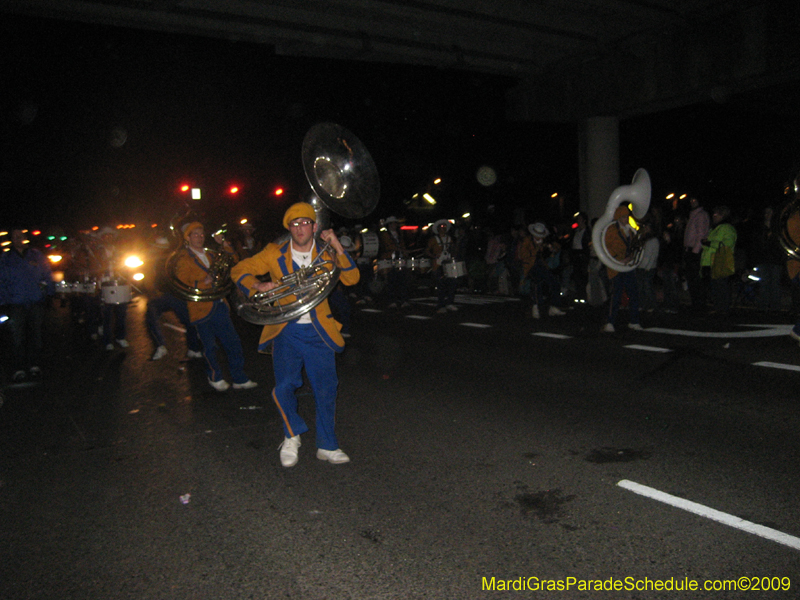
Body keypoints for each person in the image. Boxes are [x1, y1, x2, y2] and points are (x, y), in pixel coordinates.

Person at [230, 202, 359, 467]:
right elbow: (238, 270)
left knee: (326, 390)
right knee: (285, 386)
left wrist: (336, 244)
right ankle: (292, 436)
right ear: (289, 228)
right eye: (295, 224)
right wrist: (256, 284)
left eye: (305, 223)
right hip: (286, 329)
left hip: (319, 331)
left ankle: (327, 444)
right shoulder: (274, 252)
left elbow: (352, 279)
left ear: (314, 226)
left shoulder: (326, 252)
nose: (300, 228)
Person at [174, 221, 257, 392]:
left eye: (201, 234)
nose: (199, 237)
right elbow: (182, 282)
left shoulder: (212, 254)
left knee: (233, 342)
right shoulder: (184, 259)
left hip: (219, 304)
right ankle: (214, 377)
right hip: (200, 308)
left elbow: (233, 261)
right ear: (187, 238)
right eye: (195, 234)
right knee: (209, 346)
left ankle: (239, 378)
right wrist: (203, 283)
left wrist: (225, 246)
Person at [0, 227, 54, 381]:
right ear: (12, 239)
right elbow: (1, 280)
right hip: (16, 303)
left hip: (36, 301)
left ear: (24, 237)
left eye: (20, 236)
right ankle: (18, 368)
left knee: (35, 335)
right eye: (15, 236)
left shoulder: (36, 255)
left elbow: (47, 273)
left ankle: (34, 365)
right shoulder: (6, 258)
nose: (18, 238)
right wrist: (3, 301)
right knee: (17, 336)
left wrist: (49, 293)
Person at [145, 235, 203, 361]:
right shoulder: (162, 258)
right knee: (187, 320)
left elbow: (162, 278)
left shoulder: (167, 259)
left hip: (172, 294)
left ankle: (164, 346)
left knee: (188, 320)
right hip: (171, 294)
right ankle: (191, 348)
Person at [603, 206, 642, 332]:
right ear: (619, 217)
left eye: (627, 217)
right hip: (616, 267)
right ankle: (610, 322)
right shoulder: (611, 230)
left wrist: (631, 257)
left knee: (633, 293)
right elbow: (606, 247)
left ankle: (634, 321)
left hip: (628, 266)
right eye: (624, 217)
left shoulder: (630, 231)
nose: (627, 219)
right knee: (616, 295)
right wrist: (617, 259)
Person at [519, 222, 565, 319]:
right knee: (537, 282)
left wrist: (552, 249)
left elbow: (557, 246)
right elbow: (522, 256)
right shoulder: (527, 241)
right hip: (530, 266)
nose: (539, 238)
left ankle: (553, 306)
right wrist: (536, 250)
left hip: (542, 265)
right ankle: (536, 306)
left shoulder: (545, 240)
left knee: (554, 283)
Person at [94, 227, 129, 350]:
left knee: (121, 312)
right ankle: (107, 340)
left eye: (110, 236)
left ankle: (120, 337)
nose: (108, 238)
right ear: (102, 238)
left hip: (118, 282)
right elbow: (98, 265)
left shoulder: (117, 249)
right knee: (107, 314)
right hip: (105, 283)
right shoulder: (99, 251)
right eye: (106, 236)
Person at [700, 205, 737, 315]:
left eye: (717, 214)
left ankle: (724, 308)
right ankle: (718, 307)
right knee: (715, 286)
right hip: (711, 261)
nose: (714, 216)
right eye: (714, 214)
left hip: (720, 261)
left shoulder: (727, 228)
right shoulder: (714, 228)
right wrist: (706, 243)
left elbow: (728, 244)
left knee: (721, 285)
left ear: (723, 215)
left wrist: (710, 243)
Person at [426, 219, 459, 313]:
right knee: (441, 285)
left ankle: (450, 303)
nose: (443, 228)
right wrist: (434, 256)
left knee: (452, 283)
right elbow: (427, 251)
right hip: (438, 264)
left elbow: (454, 250)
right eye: (441, 227)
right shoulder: (433, 239)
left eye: (445, 227)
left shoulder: (449, 238)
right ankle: (441, 305)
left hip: (448, 263)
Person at [683, 197, 710, 311]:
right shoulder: (693, 215)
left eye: (695, 200)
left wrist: (695, 251)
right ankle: (695, 303)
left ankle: (699, 304)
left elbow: (701, 234)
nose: (692, 202)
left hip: (695, 252)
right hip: (690, 250)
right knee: (691, 279)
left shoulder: (700, 215)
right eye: (691, 201)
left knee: (695, 279)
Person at [378, 216, 411, 308]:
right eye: (392, 223)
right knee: (391, 280)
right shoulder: (385, 234)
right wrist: (401, 249)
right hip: (389, 260)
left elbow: (402, 244)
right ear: (389, 225)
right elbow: (388, 245)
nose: (394, 225)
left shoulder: (399, 234)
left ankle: (403, 299)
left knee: (402, 280)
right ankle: (392, 300)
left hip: (399, 259)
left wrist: (405, 253)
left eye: (395, 223)